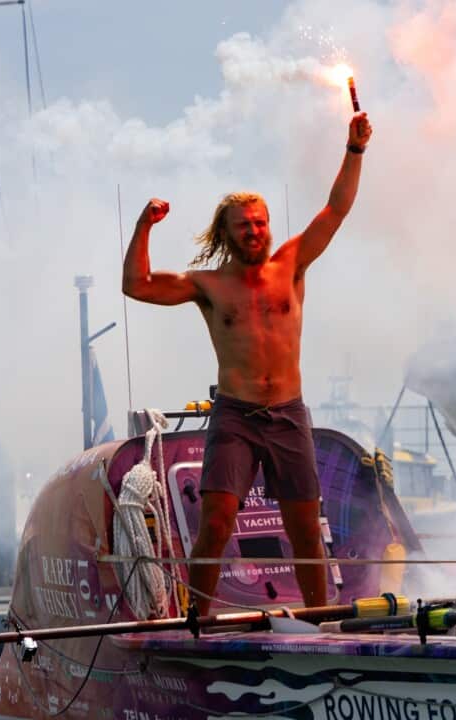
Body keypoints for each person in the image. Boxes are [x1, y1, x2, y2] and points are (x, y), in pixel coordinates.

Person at [122, 112, 373, 615]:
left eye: (260, 223)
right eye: (245, 226)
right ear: (228, 233)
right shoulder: (208, 285)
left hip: (287, 411)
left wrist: (355, 150)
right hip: (236, 414)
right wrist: (143, 226)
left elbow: (336, 209)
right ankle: (199, 617)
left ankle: (319, 619)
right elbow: (137, 285)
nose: (255, 231)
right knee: (216, 521)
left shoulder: (291, 264)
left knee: (304, 526)